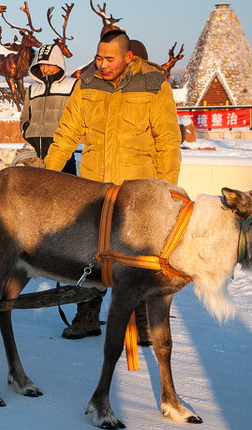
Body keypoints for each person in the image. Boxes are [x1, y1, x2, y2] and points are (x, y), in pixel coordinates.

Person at [43, 28, 182, 340]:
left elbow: (168, 142)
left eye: (109, 58)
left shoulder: (153, 84)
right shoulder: (88, 82)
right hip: (94, 188)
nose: (101, 64)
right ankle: (87, 316)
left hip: (139, 193)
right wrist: (47, 179)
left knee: (140, 259)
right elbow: (66, 133)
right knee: (88, 255)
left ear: (128, 57)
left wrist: (168, 192)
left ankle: (142, 322)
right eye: (98, 56)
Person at [19, 44, 77, 175]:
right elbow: (24, 117)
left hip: (62, 151)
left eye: (49, 65)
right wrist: (26, 130)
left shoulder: (73, 86)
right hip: (35, 154)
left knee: (65, 192)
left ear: (59, 64)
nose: (45, 70)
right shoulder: (32, 89)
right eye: (41, 65)